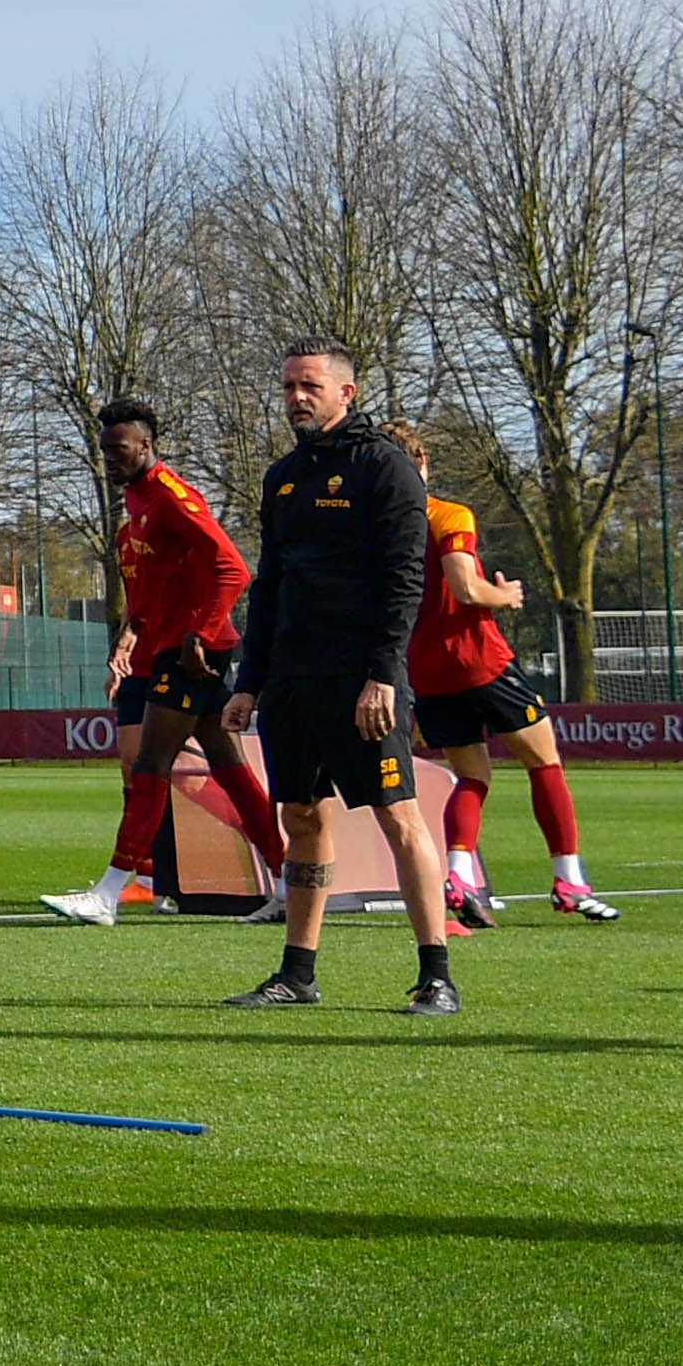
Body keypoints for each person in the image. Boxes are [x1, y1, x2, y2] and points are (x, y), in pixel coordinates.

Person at [212, 340, 456, 1017]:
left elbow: (404, 579)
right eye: (288, 385)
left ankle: (435, 973)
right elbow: (271, 587)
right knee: (301, 817)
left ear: (345, 392)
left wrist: (382, 675)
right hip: (292, 679)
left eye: (308, 385)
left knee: (397, 817)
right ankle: (297, 973)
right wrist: (247, 681)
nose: (295, 396)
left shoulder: (383, 466)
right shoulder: (283, 476)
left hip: (360, 682)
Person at [43, 398, 287, 928]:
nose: (109, 457)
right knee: (231, 770)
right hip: (177, 646)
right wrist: (132, 632)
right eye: (104, 449)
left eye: (119, 448)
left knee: (151, 767)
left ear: (146, 445)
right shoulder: (135, 505)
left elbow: (233, 567)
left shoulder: (172, 497)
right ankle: (287, 879)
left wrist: (200, 630)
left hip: (193, 652)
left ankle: (108, 893)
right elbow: (157, 589)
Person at [402, 440, 612, 925]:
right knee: (545, 762)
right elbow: (465, 587)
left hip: (427, 671)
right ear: (423, 463)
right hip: (480, 661)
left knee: (472, 776)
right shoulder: (447, 515)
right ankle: (569, 880)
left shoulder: (375, 529)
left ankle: (459, 874)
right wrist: (504, 594)